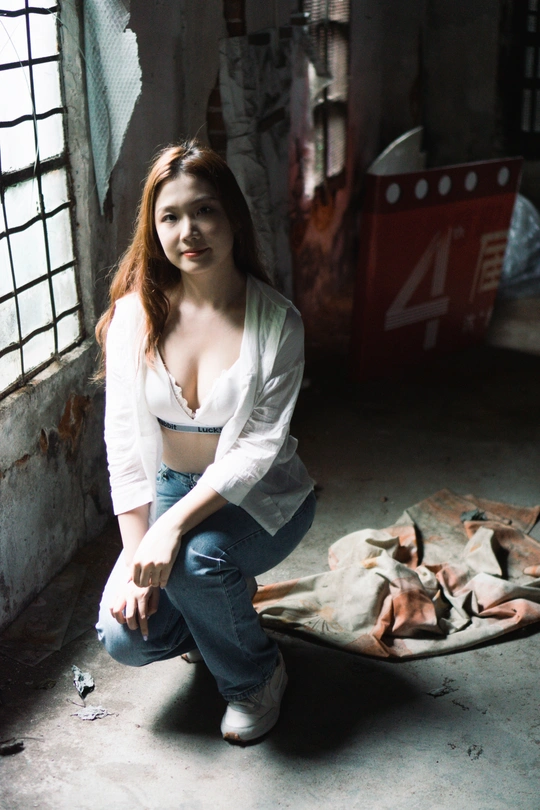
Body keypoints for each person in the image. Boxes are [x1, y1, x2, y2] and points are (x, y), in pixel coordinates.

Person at [94, 140, 315, 743]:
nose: (188, 231)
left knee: (194, 563)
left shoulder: (278, 323)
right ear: (154, 229)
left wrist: (169, 531)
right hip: (170, 486)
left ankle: (256, 679)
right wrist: (136, 555)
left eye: (204, 210)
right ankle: (219, 606)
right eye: (169, 216)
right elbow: (123, 444)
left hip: (260, 498)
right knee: (124, 635)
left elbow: (254, 452)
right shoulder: (134, 317)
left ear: (233, 217)